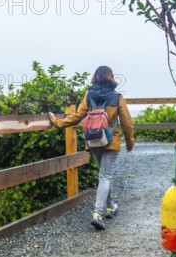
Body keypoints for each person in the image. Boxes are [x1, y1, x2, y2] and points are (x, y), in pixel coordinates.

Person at [48, 66, 134, 231]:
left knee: (104, 175)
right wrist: (130, 143)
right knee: (105, 176)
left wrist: (58, 122)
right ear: (111, 77)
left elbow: (76, 117)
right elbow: (127, 123)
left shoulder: (89, 97)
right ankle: (97, 214)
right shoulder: (117, 98)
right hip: (111, 142)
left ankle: (111, 206)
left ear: (95, 78)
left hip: (94, 141)